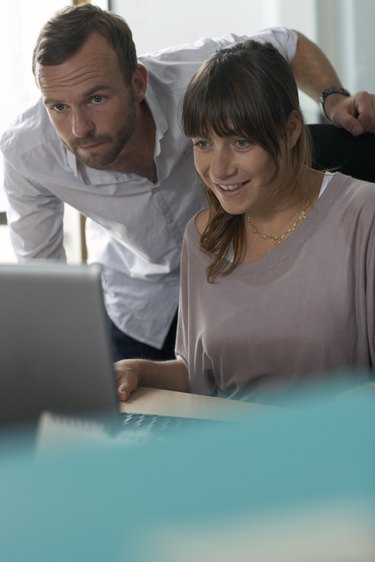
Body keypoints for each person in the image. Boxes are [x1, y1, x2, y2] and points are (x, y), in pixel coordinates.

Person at [2, 4, 375, 363]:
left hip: (234, 277)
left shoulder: (196, 75)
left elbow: (287, 44)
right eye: (58, 107)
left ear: (137, 82)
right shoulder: (26, 153)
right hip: (139, 305)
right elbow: (43, 278)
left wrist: (333, 99)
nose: (79, 128)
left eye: (96, 98)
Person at [115, 40, 374, 403]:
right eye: (203, 143)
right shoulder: (203, 236)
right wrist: (139, 371)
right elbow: (196, 374)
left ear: (291, 130)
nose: (218, 170)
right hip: (230, 447)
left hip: (336, 448)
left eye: (240, 142)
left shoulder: (365, 214)